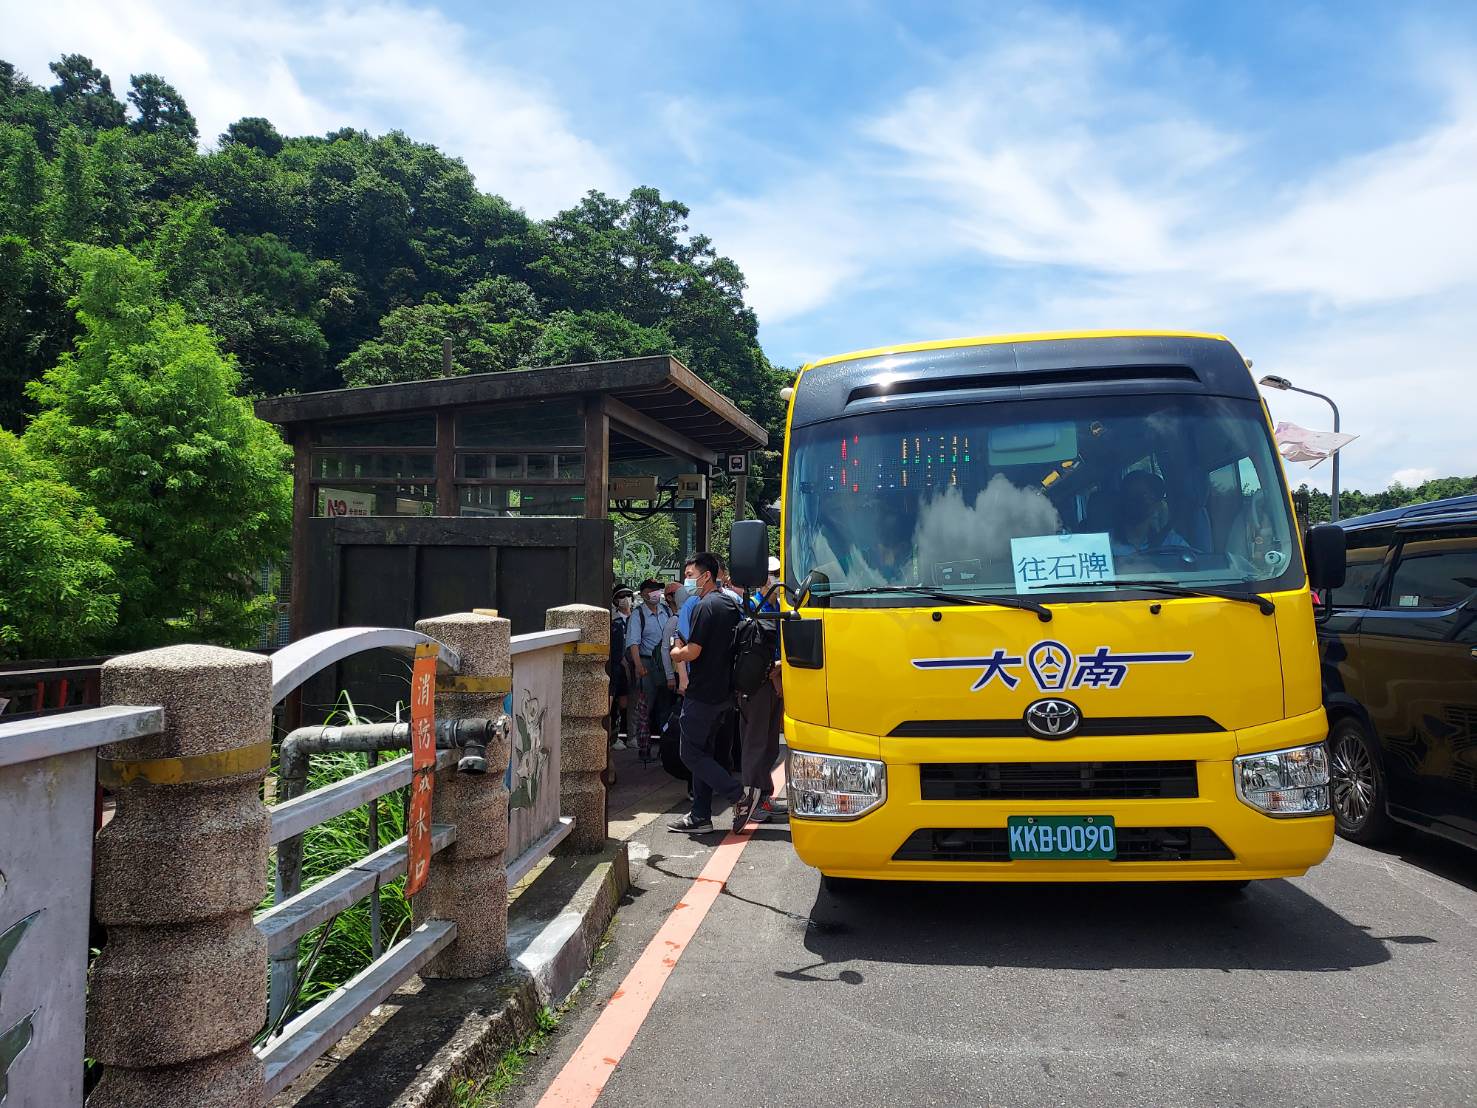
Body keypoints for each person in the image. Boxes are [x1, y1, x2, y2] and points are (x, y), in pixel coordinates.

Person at [668, 552, 752, 834]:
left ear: (706, 576)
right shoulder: (730, 603)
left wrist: (676, 653)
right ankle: (700, 815)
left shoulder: (706, 607)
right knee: (705, 753)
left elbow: (693, 651)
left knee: (690, 753)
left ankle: (738, 795)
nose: (687, 581)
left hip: (702, 692)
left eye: (690, 575)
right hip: (725, 692)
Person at [740, 556, 786, 822]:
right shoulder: (751, 607)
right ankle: (751, 800)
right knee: (755, 743)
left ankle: (764, 796)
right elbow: (754, 654)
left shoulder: (780, 605)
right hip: (759, 685)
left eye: (779, 572)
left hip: (776, 683)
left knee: (770, 745)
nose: (777, 578)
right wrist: (776, 672)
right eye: (772, 574)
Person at [625, 578, 668, 762]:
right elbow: (633, 643)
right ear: (643, 594)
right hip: (647, 664)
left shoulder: (665, 611)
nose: (656, 593)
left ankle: (666, 749)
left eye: (658, 590)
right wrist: (638, 666)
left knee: (665, 707)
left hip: (665, 664)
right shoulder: (638, 615)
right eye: (652, 590)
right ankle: (644, 749)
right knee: (645, 708)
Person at [1110, 470, 1189, 557]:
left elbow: (1194, 567)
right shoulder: (1104, 542)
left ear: (1157, 505)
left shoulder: (1174, 544)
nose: (1133, 501)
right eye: (1128, 495)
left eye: (1140, 496)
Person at [609, 586, 634, 750]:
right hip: (616, 666)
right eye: (622, 596)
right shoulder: (613, 620)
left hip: (633, 665)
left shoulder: (636, 618)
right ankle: (613, 737)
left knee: (628, 702)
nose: (626, 599)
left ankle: (628, 735)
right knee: (613, 702)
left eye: (628, 595)